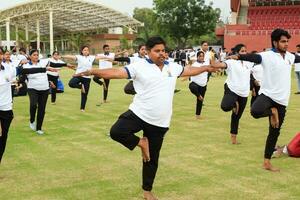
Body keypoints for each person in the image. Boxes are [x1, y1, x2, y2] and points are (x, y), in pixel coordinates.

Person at [74, 36, 217, 200]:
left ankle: (147, 191)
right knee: (116, 131)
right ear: (148, 52)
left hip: (160, 120)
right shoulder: (139, 66)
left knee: (152, 159)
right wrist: (93, 71)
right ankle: (141, 143)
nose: (161, 54)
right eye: (157, 51)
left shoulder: (173, 66)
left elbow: (189, 71)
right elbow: (116, 72)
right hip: (139, 113)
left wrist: (206, 68)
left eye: (163, 50)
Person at [227, 29, 300, 171]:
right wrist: (237, 57)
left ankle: (267, 162)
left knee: (274, 132)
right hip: (267, 95)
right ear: (275, 42)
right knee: (255, 110)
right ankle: (272, 112)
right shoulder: (267, 56)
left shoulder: (290, 57)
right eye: (283, 41)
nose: (286, 44)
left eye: (287, 41)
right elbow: (253, 58)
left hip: (282, 101)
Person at [211, 44, 254, 144]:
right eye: (242, 51)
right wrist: (213, 60)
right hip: (232, 89)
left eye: (245, 51)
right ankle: (234, 104)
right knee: (225, 107)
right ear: (237, 53)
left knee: (236, 116)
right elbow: (218, 65)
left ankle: (233, 139)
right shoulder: (231, 62)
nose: (244, 53)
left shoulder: (249, 63)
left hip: (244, 93)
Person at [23, 49, 58, 135]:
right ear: (30, 56)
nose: (36, 56)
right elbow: (29, 73)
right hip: (32, 88)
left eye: (37, 55)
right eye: (34, 55)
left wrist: (50, 81)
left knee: (42, 109)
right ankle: (32, 120)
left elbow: (45, 74)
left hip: (44, 88)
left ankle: (39, 128)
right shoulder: (26, 65)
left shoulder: (42, 63)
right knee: (33, 105)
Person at [62, 46, 105, 111]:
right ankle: (81, 86)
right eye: (84, 50)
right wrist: (62, 56)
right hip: (78, 75)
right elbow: (70, 56)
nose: (86, 51)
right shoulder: (79, 57)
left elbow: (99, 57)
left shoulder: (91, 57)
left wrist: (107, 57)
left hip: (87, 78)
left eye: (87, 50)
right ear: (82, 51)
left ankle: (82, 108)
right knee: (71, 83)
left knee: (84, 94)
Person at [189, 51, 210, 119]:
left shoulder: (206, 63)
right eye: (200, 56)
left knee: (200, 101)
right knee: (191, 86)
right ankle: (198, 95)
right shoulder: (194, 64)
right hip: (195, 82)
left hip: (203, 84)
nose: (201, 57)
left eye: (202, 56)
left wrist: (207, 80)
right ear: (197, 57)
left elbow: (208, 72)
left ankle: (198, 115)